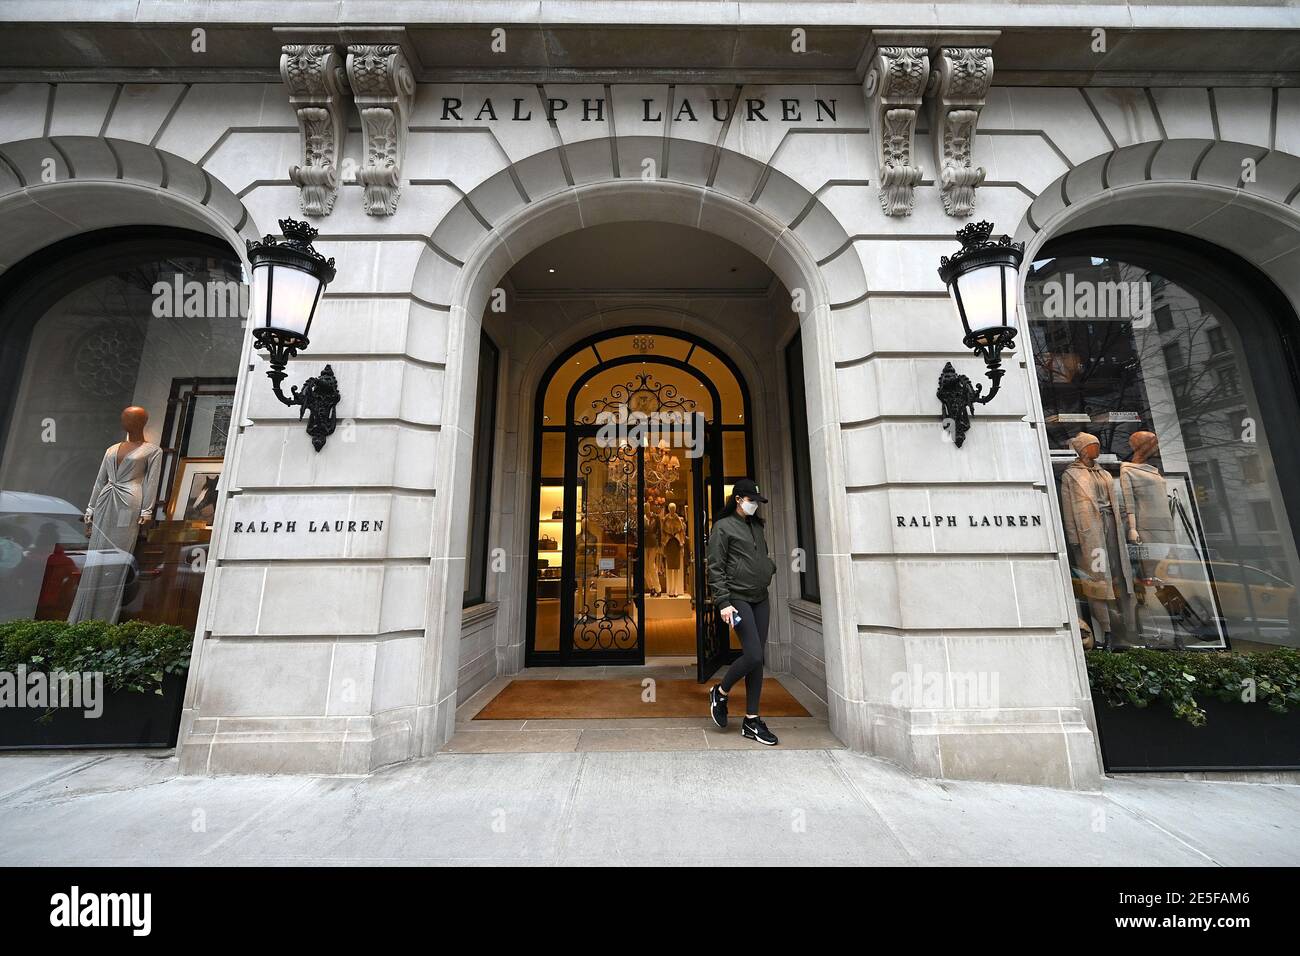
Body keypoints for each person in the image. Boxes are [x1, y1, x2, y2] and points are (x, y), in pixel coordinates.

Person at [706, 478, 779, 745]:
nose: (754, 506)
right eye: (751, 502)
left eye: (757, 503)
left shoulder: (756, 526)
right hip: (737, 599)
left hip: (761, 597)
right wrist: (723, 602)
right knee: (754, 654)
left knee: (757, 660)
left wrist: (769, 567)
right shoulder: (723, 528)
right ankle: (721, 692)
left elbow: (761, 555)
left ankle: (751, 720)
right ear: (738, 500)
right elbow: (715, 567)